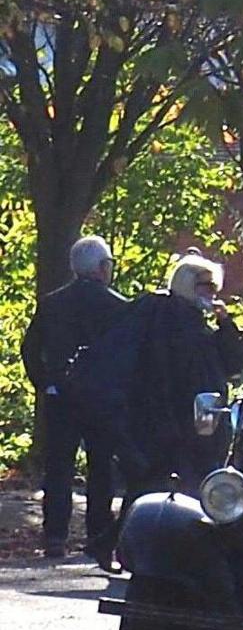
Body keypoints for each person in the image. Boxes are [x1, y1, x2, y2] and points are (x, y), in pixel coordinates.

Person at [104, 253, 243, 517]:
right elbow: (168, 375)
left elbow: (234, 362)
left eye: (214, 287)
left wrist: (226, 325)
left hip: (198, 426)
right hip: (171, 429)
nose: (212, 293)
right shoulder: (168, 322)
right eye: (205, 286)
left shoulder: (198, 325)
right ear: (187, 285)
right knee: (156, 494)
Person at [20, 236, 129, 561]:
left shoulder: (52, 303)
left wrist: (45, 383)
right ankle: (99, 536)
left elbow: (30, 349)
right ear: (101, 267)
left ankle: (55, 535)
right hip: (101, 398)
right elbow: (127, 355)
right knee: (101, 469)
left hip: (61, 396)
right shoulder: (118, 306)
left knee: (58, 468)